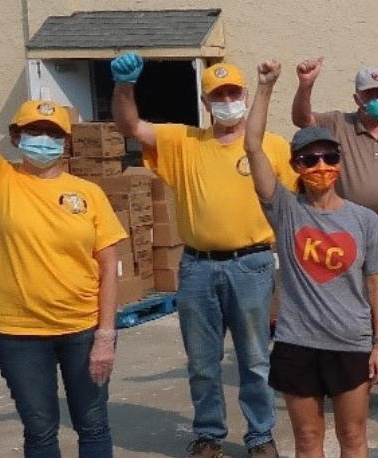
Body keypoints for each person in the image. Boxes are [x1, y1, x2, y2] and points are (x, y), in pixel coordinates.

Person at [107, 50, 294, 457]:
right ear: (206, 103)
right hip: (197, 267)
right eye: (218, 94)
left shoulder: (271, 147)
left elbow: (296, 202)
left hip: (253, 264)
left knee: (256, 360)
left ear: (245, 93)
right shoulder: (184, 142)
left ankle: (261, 436)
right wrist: (125, 86)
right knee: (203, 362)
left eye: (233, 92)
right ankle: (209, 433)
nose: (227, 100)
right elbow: (131, 125)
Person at [0, 3, 125, 455]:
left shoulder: (88, 193)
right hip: (18, 335)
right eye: (33, 130)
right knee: (41, 430)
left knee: (92, 426)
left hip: (82, 330)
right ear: (16, 137)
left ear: (66, 142)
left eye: (53, 133)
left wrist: (106, 335)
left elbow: (109, 265)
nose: (43, 140)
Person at [244, 61, 378, 458]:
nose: (321, 167)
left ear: (339, 162)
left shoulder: (364, 221)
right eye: (309, 160)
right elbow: (253, 146)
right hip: (297, 343)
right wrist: (265, 87)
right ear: (295, 166)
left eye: (328, 157)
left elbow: (377, 284)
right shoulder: (286, 210)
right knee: (308, 441)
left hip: (350, 343)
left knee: (353, 438)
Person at [289, 58, 378, 413]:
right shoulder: (338, 125)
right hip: (346, 237)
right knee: (345, 309)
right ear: (357, 97)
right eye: (369, 94)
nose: (377, 100)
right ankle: (345, 379)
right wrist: (306, 84)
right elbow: (301, 120)